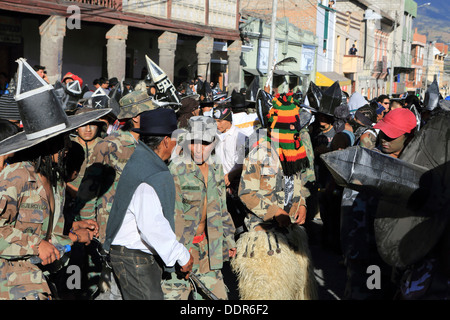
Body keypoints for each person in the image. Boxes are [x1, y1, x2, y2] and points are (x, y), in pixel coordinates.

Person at [0, 58, 109, 300]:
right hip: (13, 284)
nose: (67, 150)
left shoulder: (55, 181)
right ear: (46, 148)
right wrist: (35, 245)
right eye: (63, 144)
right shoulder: (16, 176)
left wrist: (72, 231)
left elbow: (46, 238)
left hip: (44, 279)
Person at [73, 89, 158, 299]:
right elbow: (88, 190)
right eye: (149, 113)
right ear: (136, 117)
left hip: (146, 232)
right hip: (114, 230)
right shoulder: (109, 145)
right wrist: (89, 224)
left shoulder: (153, 145)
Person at [232, 92, 317, 300]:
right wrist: (274, 212)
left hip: (292, 236)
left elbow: (298, 185)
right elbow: (245, 192)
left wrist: (302, 204)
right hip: (265, 239)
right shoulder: (259, 152)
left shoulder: (295, 151)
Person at [102, 108, 194, 300]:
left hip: (130, 257)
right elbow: (151, 225)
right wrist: (182, 255)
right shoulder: (152, 172)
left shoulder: (141, 160)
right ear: (166, 141)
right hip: (134, 259)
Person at [340, 107, 417, 300]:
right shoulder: (368, 162)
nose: (384, 139)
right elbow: (348, 210)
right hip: (368, 255)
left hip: (401, 259)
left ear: (409, 137)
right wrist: (353, 254)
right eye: (383, 132)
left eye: (392, 136)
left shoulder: (415, 169)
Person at [162, 116, 237, 300]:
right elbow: (168, 216)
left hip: (209, 250)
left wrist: (229, 238)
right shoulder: (176, 169)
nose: (198, 149)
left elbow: (221, 206)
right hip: (181, 251)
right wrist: (176, 251)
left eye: (204, 143)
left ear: (213, 143)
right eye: (193, 142)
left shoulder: (216, 166)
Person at [212, 105, 248, 236]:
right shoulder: (216, 136)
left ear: (229, 120)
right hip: (220, 183)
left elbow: (243, 162)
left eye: (220, 121)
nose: (217, 124)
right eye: (215, 121)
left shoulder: (240, 136)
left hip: (235, 184)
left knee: (237, 217)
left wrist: (231, 175)